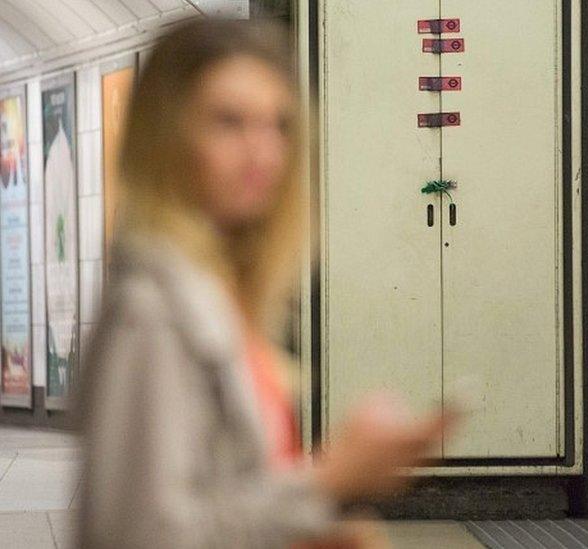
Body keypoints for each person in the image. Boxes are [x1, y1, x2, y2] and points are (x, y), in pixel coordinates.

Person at [77, 19, 449, 548]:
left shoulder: (219, 293)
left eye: (277, 125)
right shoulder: (152, 313)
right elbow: (140, 535)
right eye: (229, 122)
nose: (262, 152)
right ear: (165, 136)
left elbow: (217, 502)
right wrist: (331, 478)